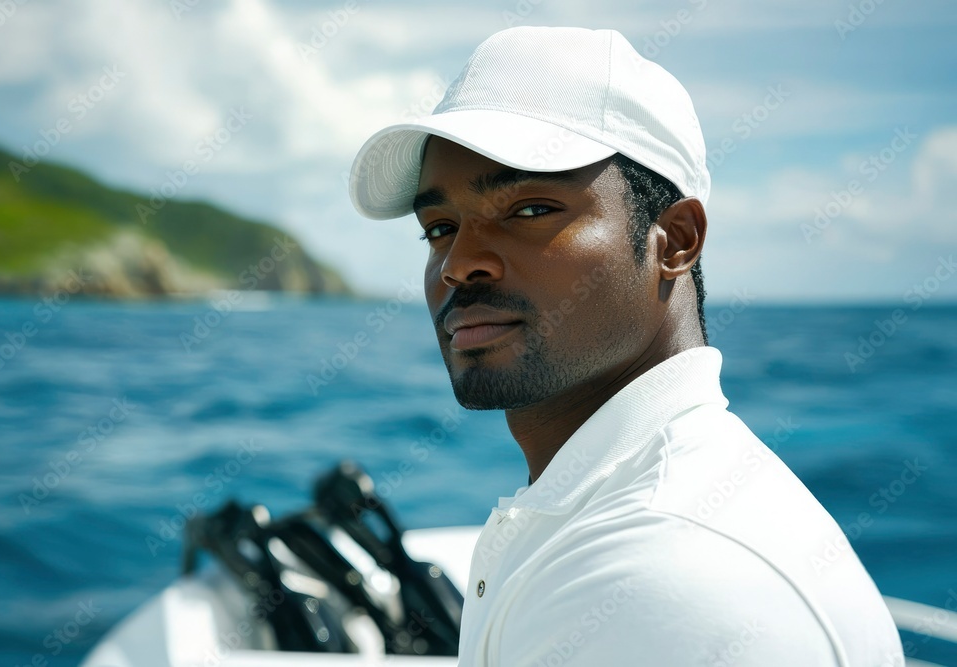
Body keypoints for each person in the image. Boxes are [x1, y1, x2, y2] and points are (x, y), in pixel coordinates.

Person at [348, 26, 903, 666]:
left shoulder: (658, 579)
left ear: (675, 240)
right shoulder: (625, 516)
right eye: (439, 227)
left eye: (529, 210)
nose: (458, 263)